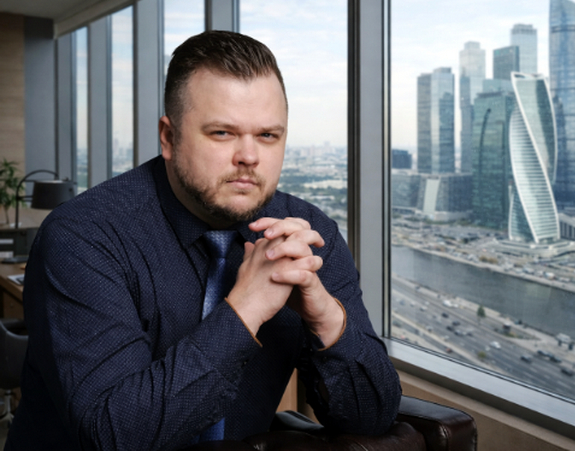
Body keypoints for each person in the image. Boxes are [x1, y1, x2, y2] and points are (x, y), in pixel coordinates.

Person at [6, 31, 401, 450]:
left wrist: (325, 317)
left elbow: (373, 416)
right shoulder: (84, 236)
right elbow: (115, 436)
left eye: (268, 136)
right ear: (168, 137)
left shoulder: (308, 235)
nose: (249, 156)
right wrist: (245, 309)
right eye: (222, 133)